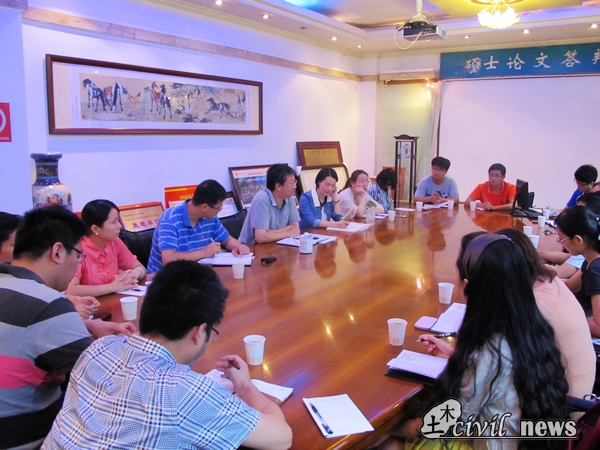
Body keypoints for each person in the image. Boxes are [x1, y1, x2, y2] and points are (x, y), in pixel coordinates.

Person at [43, 260, 293, 450]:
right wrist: (245, 386)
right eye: (213, 332)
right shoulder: (184, 391)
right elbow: (281, 438)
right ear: (199, 332)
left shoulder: (98, 349)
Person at [394, 234, 569, 449]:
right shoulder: (530, 325)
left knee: (389, 442)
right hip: (528, 439)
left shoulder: (488, 351)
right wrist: (455, 356)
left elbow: (448, 424)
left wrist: (395, 428)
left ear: (468, 286)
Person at [0, 206, 135, 449]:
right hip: (30, 438)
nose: (77, 264)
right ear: (58, 252)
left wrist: (87, 326)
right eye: (79, 255)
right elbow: (108, 380)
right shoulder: (49, 304)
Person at [496, 228, 596, 399]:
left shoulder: (532, 303)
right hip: (580, 389)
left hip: (563, 403)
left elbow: (494, 358)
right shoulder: (550, 281)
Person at [149, 179, 250, 273]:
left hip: (196, 274)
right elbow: (168, 259)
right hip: (166, 278)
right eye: (219, 207)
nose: (220, 210)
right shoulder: (170, 220)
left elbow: (227, 240)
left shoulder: (210, 218)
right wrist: (203, 253)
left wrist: (238, 247)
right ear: (205, 207)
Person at [66, 200, 146, 297]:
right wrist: (112, 287)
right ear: (95, 229)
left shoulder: (114, 241)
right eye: (114, 222)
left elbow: (140, 267)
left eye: (118, 220)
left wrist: (134, 274)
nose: (120, 226)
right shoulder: (78, 250)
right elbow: (70, 289)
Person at [556, 206, 600, 336]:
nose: (560, 243)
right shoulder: (591, 258)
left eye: (561, 239)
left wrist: (559, 321)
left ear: (578, 240)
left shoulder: (595, 270)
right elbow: (570, 285)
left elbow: (598, 327)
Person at [539, 191, 600, 279]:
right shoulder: (588, 256)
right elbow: (569, 283)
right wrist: (537, 254)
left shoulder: (594, 268)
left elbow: (558, 274)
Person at [239, 164, 300, 245]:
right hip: (251, 248)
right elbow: (261, 237)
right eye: (292, 183)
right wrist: (289, 232)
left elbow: (295, 228)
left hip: (276, 244)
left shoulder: (289, 197)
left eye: (295, 182)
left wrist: (269, 233)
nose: (295, 186)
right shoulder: (261, 199)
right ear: (278, 186)